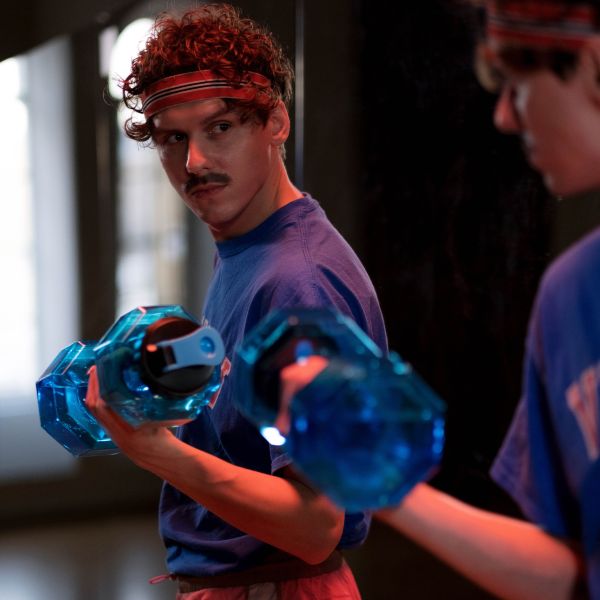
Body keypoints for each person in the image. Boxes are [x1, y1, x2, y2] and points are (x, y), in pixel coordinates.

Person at [85, 3, 387, 599]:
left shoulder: (298, 283)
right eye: (174, 138)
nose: (194, 162)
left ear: (276, 121)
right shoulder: (250, 245)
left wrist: (156, 453)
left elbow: (316, 527)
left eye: (219, 128)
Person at [372, 1, 600, 598]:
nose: (503, 116)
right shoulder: (571, 297)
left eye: (517, 84)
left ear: (593, 63)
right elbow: (574, 572)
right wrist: (383, 485)